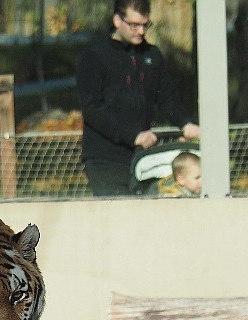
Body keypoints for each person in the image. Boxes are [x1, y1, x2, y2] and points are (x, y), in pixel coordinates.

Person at [76, 0, 200, 197]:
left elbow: (167, 98)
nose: (141, 31)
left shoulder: (152, 55)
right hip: (105, 158)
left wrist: (185, 124)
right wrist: (133, 136)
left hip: (142, 157)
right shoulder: (95, 57)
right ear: (117, 20)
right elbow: (92, 109)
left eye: (145, 25)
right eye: (134, 25)